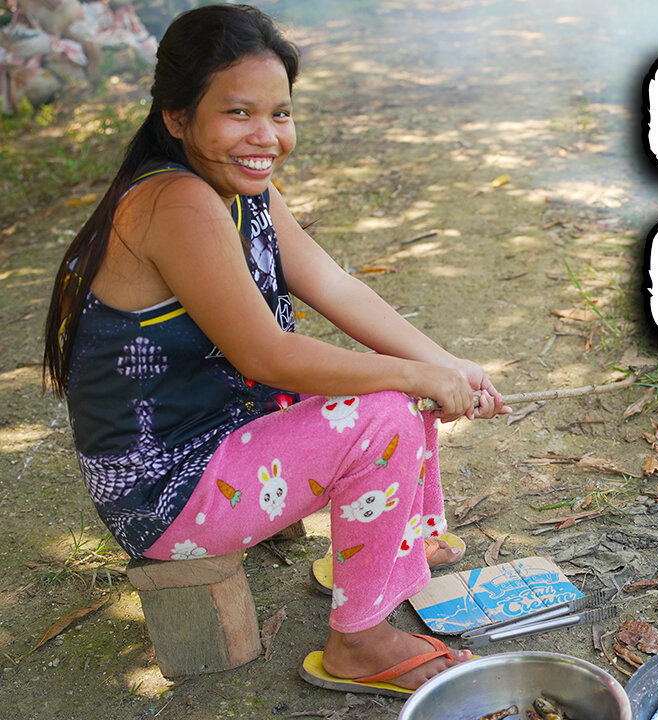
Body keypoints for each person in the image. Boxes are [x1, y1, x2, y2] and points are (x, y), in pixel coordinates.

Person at [41, 3, 506, 695]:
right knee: (386, 414)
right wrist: (418, 375)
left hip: (224, 438)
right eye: (238, 113)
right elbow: (267, 355)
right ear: (176, 117)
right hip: (168, 494)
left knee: (401, 389)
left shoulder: (239, 187)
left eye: (280, 113)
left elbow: (333, 284)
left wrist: (445, 365)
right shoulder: (177, 203)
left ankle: (386, 547)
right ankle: (359, 644)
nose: (266, 136)